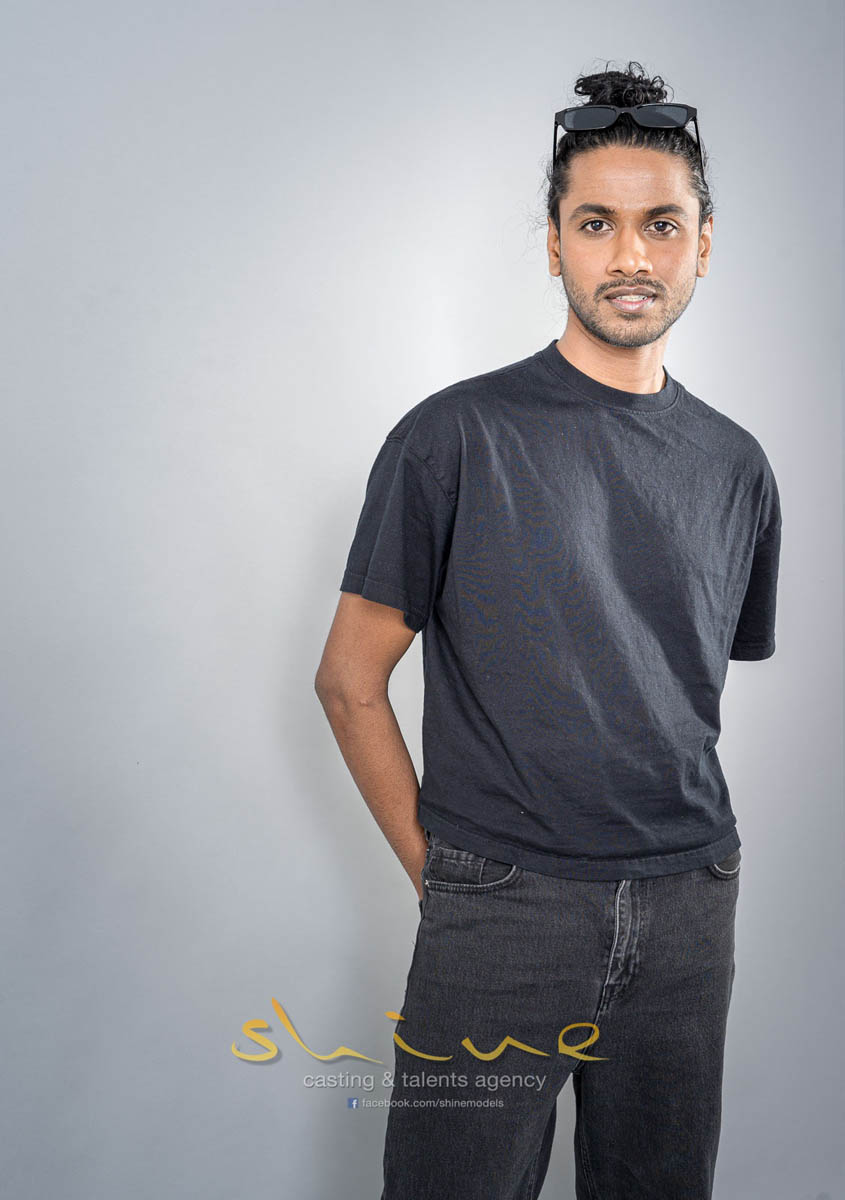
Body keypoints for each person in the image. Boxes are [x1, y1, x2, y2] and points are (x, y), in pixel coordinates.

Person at [314, 60, 781, 1200]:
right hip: (502, 907)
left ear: (703, 245)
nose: (630, 256)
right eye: (595, 223)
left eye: (659, 224)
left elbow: (674, 687)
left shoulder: (735, 466)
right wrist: (449, 881)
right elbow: (348, 681)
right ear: (554, 244)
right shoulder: (451, 437)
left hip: (688, 905)